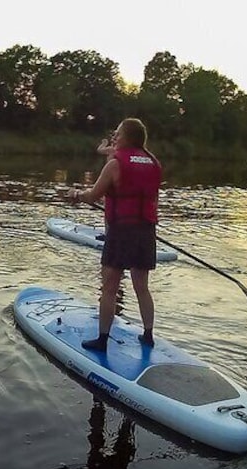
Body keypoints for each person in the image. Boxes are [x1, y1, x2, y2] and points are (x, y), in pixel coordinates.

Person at [67, 118, 161, 351]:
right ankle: (148, 335)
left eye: (118, 133)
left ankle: (102, 340)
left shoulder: (115, 164)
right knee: (142, 287)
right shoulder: (153, 162)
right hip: (146, 231)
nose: (115, 137)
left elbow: (94, 195)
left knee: (109, 287)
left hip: (120, 231)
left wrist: (77, 194)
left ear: (128, 137)